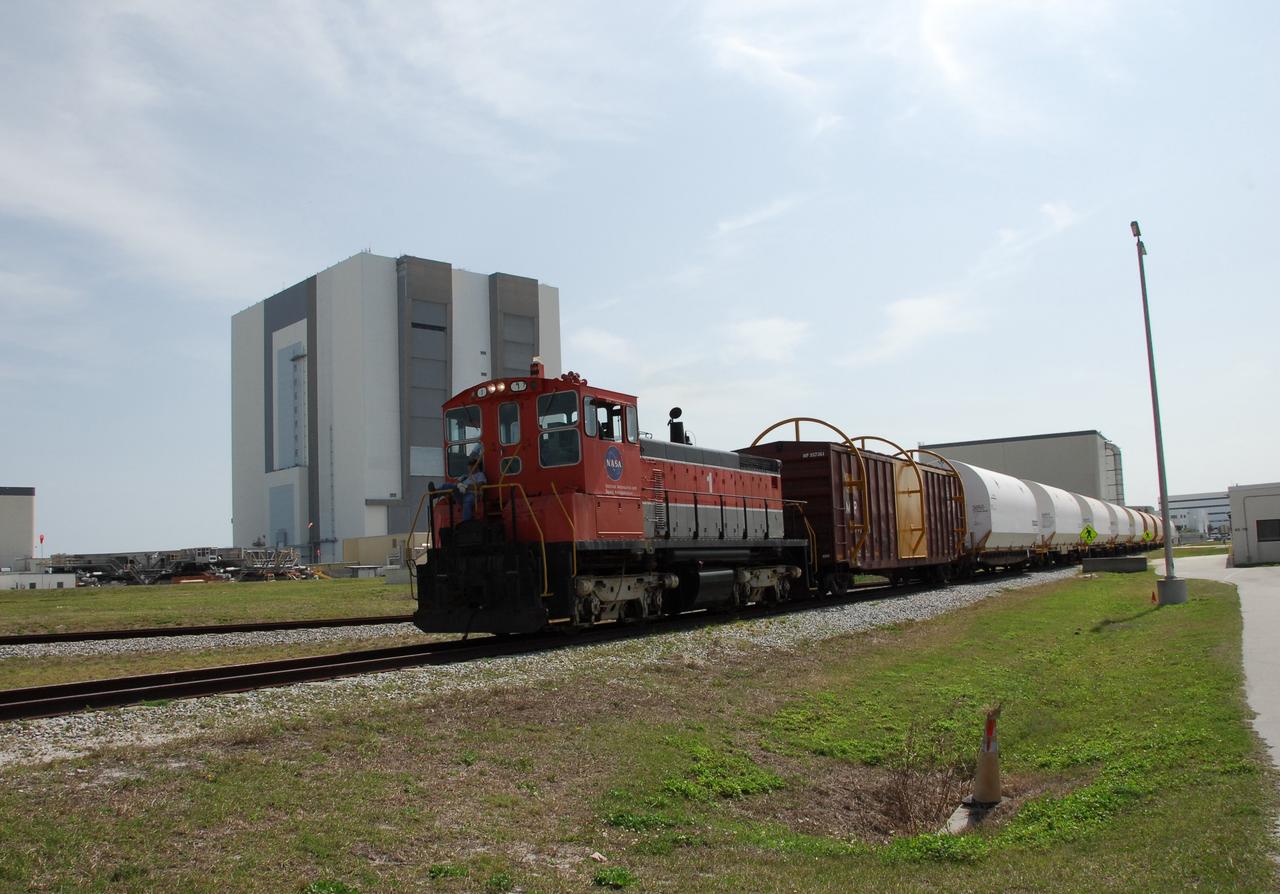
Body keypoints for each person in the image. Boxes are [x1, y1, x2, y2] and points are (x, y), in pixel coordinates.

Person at [432, 447, 487, 521]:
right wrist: (459, 486)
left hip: (472, 494)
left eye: (471, 464)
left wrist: (465, 487)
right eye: (469, 464)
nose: (469, 466)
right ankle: (435, 493)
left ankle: (465, 524)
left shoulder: (480, 475)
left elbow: (480, 486)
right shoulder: (464, 476)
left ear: (476, 465)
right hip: (460, 494)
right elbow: (455, 485)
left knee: (467, 502)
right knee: (447, 485)